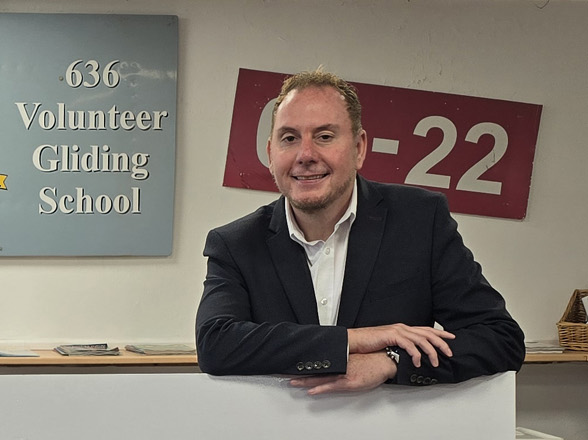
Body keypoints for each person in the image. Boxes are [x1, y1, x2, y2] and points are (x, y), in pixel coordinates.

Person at [195, 69, 523, 395]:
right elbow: (216, 344)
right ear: (270, 153)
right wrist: (354, 341)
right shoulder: (236, 244)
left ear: (359, 147)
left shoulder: (419, 221)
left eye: (324, 136)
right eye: (289, 138)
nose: (305, 155)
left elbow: (499, 338)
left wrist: (390, 360)